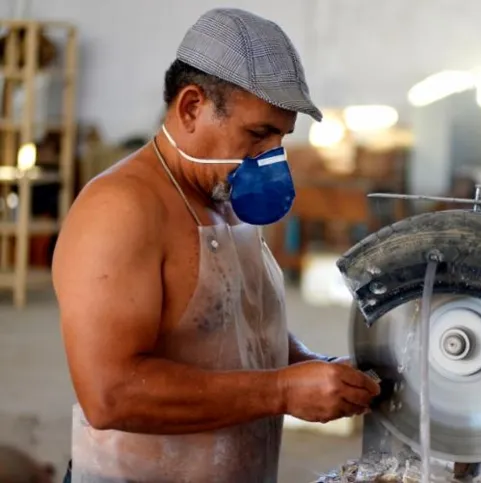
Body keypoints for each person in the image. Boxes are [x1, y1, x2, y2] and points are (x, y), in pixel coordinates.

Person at [52, 8, 380, 483]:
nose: (270, 155)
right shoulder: (122, 209)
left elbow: (237, 330)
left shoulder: (222, 197)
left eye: (280, 138)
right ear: (191, 107)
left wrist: (314, 367)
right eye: (257, 134)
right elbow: (110, 394)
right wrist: (282, 392)